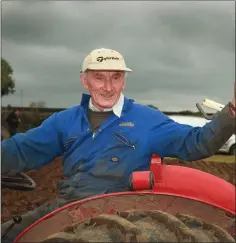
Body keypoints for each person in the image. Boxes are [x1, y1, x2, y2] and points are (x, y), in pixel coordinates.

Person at [1, 48, 236, 242]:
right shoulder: (65, 121)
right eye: (99, 77)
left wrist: (232, 111)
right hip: (68, 207)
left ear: (124, 81)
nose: (108, 87)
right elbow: (22, 149)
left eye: (116, 77)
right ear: (85, 80)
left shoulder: (148, 120)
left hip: (123, 210)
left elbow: (196, 143)